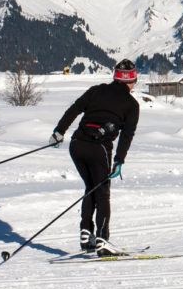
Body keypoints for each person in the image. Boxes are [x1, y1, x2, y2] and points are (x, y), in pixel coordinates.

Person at [50, 59, 140, 256]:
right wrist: (119, 160)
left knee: (91, 187)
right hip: (99, 148)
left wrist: (59, 131)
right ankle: (102, 240)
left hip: (77, 144)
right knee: (102, 192)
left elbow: (74, 109)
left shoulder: (96, 91)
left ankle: (86, 234)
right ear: (132, 81)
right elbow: (127, 135)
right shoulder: (132, 105)